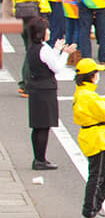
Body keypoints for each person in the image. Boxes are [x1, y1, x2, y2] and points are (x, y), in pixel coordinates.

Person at [19, 19, 70, 169]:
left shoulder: (34, 48)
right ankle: (40, 160)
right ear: (41, 32)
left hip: (36, 88)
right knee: (44, 126)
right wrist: (65, 54)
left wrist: (56, 49)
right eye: (47, 29)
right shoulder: (43, 48)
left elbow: (47, 60)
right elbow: (57, 67)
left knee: (37, 126)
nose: (49, 31)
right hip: (45, 89)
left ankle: (39, 158)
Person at [72, 57, 105, 218]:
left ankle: (95, 207)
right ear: (91, 76)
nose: (98, 75)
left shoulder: (85, 93)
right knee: (99, 175)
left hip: (96, 137)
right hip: (95, 138)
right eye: (96, 73)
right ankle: (90, 209)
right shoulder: (87, 96)